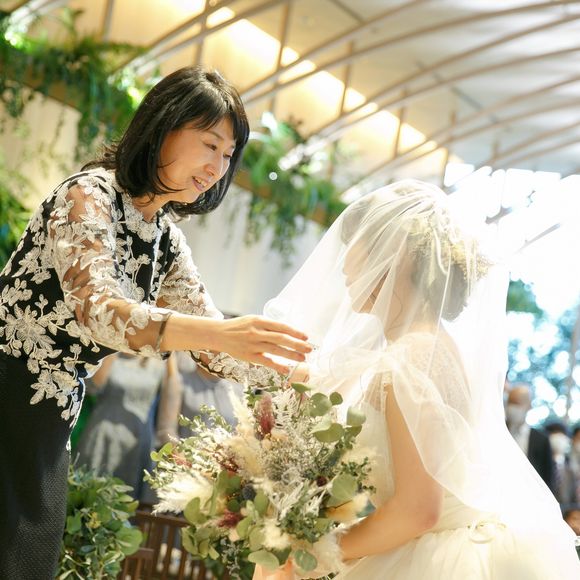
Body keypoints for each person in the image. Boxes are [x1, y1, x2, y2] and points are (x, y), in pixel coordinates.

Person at [0, 65, 311, 579]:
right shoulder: (88, 196)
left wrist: (304, 378)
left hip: (49, 418)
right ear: (163, 125)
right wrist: (220, 333)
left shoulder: (164, 239)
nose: (217, 167)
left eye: (228, 155)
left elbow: (215, 347)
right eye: (210, 145)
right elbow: (101, 311)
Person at [254, 179, 580, 579]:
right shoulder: (422, 348)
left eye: (355, 243)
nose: (344, 263)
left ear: (397, 255)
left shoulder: (412, 359)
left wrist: (313, 552)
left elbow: (419, 509)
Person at [74, 352, 167, 501]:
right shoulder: (111, 355)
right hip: (102, 438)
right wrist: (112, 349)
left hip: (138, 443)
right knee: (89, 497)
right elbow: (93, 387)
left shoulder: (159, 362)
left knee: (128, 503)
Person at [505, 382, 553, 489]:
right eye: (510, 403)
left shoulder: (541, 440)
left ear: (528, 406)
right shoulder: (499, 432)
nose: (512, 408)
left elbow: (548, 479)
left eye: (517, 403)